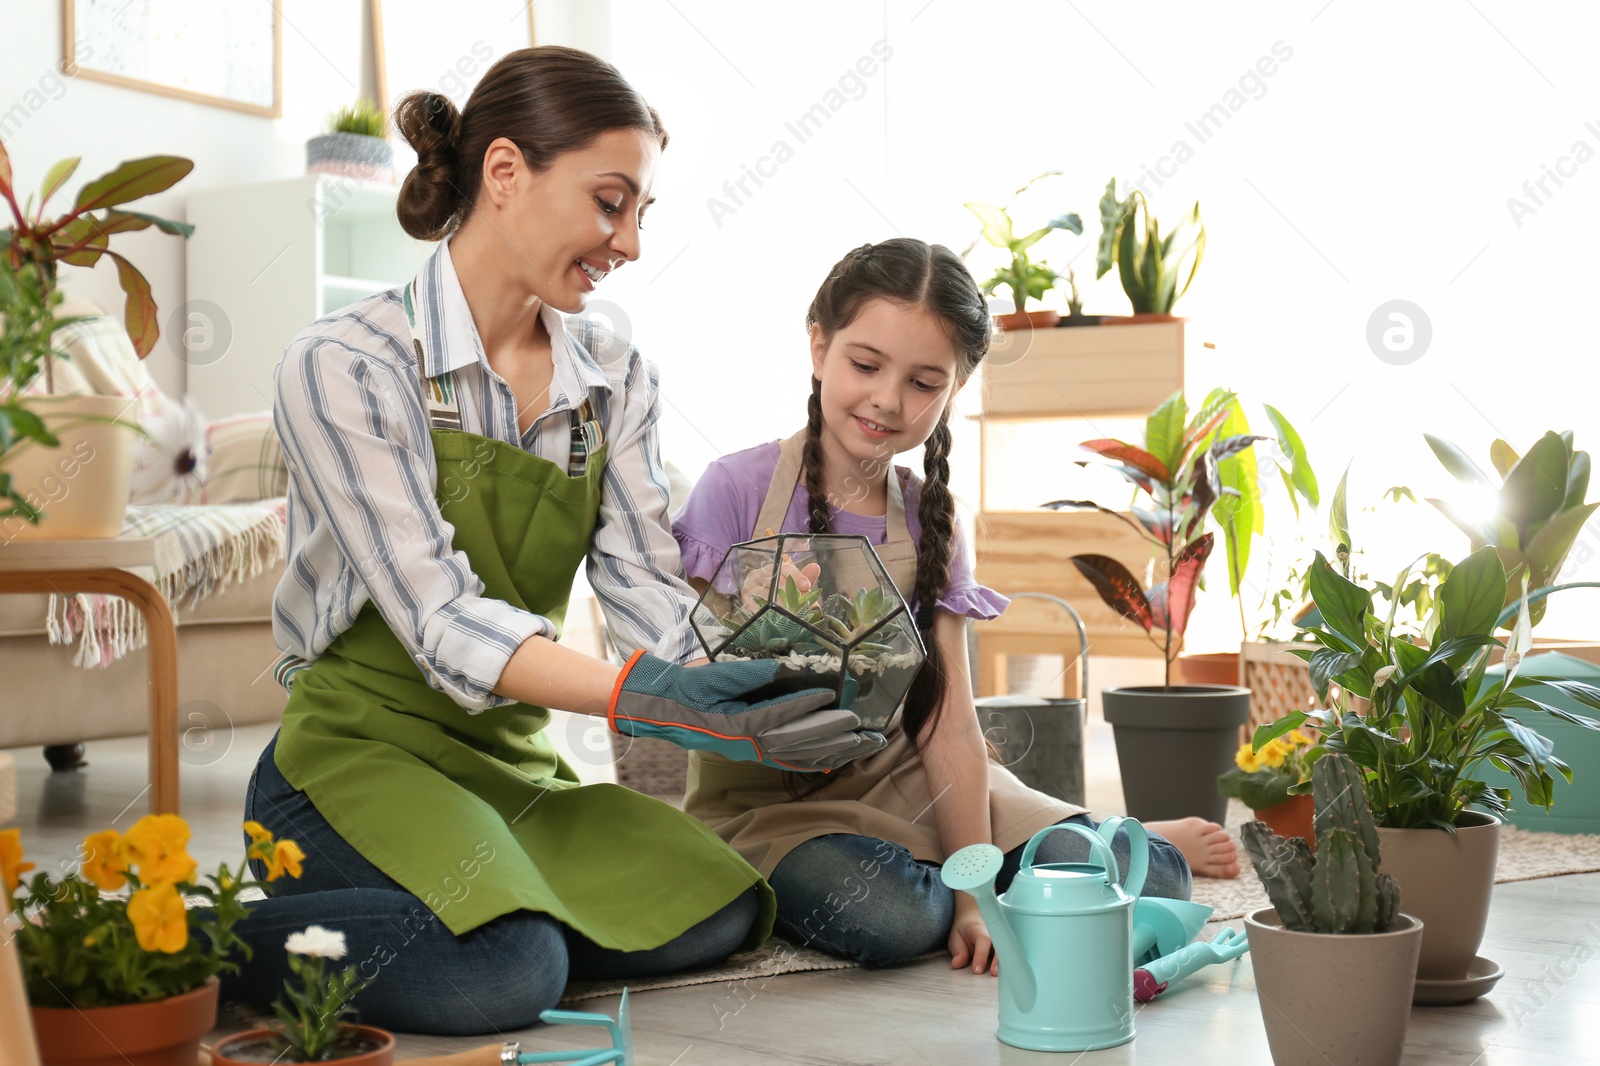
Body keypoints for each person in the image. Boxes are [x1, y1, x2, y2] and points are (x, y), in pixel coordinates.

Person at [221, 47, 881, 1036]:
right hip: (355, 759)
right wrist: (644, 697)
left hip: (506, 762)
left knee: (721, 902)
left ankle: (442, 914)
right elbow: (439, 618)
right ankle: (194, 942)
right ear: (502, 173)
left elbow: (646, 593)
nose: (629, 242)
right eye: (610, 202)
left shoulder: (612, 378)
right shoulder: (345, 365)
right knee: (504, 971)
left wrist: (745, 693)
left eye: (642, 213)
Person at [672, 238, 1241, 975]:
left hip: (907, 777)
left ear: (956, 388)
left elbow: (947, 722)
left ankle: (1045, 838)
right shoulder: (736, 488)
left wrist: (977, 902)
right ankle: (1029, 846)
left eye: (922, 382)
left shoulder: (933, 516)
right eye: (865, 365)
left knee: (1156, 872)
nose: (886, 399)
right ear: (819, 346)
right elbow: (686, 675)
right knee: (900, 914)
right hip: (769, 801)